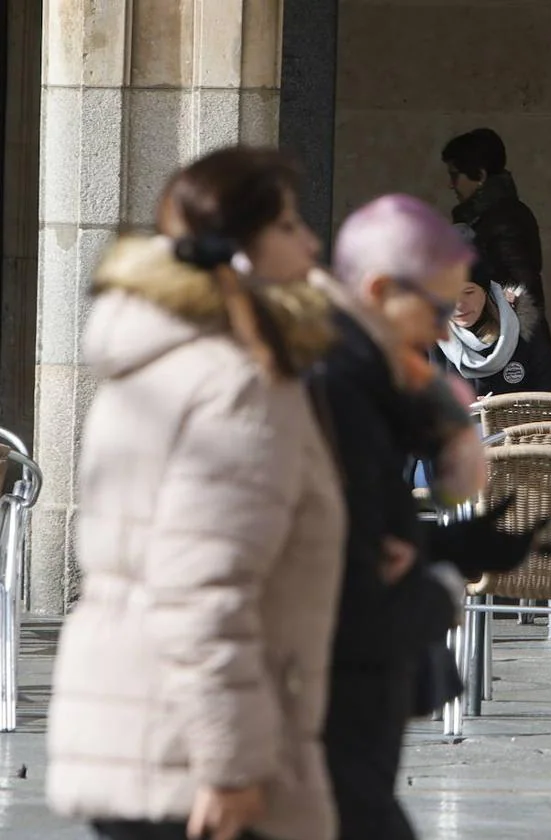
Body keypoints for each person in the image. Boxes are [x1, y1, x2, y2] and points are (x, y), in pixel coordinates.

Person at [46, 147, 346, 840]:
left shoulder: (153, 359)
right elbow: (204, 588)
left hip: (134, 728)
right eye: (289, 226)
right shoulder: (234, 384)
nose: (312, 242)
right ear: (238, 253)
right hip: (190, 758)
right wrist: (232, 766)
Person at [313, 194, 551, 840]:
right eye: (434, 307)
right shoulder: (330, 383)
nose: (444, 327)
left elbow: (368, 526)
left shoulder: (373, 381)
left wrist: (450, 543)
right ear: (379, 290)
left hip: (356, 678)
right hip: (316, 682)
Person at [441, 128, 551, 342]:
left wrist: (510, 346)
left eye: (455, 175)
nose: (451, 184)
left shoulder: (502, 219)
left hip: (504, 340)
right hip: (494, 335)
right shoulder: (487, 217)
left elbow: (522, 287)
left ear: (480, 175)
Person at [432, 226, 551, 396]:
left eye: (468, 292)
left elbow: (549, 389)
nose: (459, 305)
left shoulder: (522, 329)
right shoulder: (428, 338)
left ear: (486, 291)